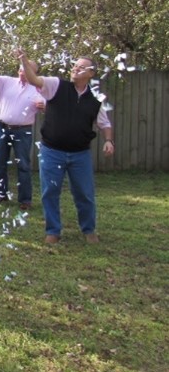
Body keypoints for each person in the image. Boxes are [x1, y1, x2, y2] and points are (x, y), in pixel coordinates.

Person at [17, 50, 114, 244]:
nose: (76, 69)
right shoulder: (56, 86)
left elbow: (105, 123)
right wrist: (24, 60)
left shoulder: (95, 100)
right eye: (75, 66)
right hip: (51, 151)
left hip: (80, 154)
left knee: (84, 193)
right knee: (50, 192)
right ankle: (53, 231)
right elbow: (34, 79)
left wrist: (109, 140)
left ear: (91, 73)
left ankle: (89, 230)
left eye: (82, 67)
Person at [0, 57, 43, 209]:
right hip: (2, 128)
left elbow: (47, 105)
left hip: (23, 131)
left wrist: (43, 106)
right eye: (22, 69)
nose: (24, 72)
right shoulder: (6, 82)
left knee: (23, 165)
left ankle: (25, 199)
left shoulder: (38, 88)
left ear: (34, 73)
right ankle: (0, 193)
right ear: (19, 70)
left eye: (28, 70)